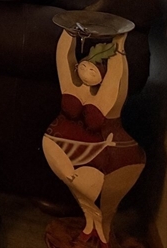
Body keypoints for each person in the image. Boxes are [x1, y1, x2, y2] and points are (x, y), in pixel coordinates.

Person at [42, 30, 145, 248]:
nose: (86, 70)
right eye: (84, 66)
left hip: (107, 158)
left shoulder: (107, 97)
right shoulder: (71, 86)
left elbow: (116, 78)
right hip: (68, 159)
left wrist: (118, 46)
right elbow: (63, 59)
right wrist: (68, 32)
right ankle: (89, 228)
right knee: (84, 200)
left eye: (93, 69)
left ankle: (104, 235)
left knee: (105, 207)